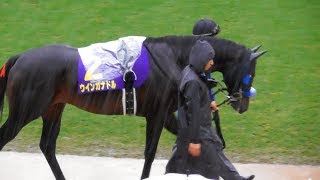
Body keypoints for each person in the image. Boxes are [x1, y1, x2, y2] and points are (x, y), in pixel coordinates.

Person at [165, 40, 254, 180]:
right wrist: (194, 141)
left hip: (195, 129)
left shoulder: (190, 71)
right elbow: (192, 113)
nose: (212, 62)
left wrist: (208, 102)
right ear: (201, 59)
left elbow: (192, 101)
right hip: (198, 130)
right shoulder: (193, 82)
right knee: (212, 161)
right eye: (209, 59)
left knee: (205, 153)